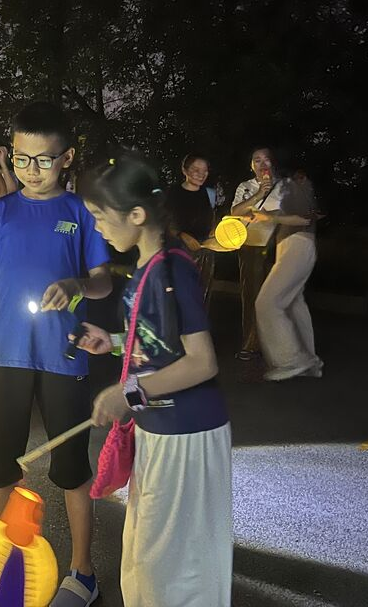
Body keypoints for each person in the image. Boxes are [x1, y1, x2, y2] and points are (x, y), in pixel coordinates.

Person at [0, 102, 112, 606]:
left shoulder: (81, 214)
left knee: (71, 467)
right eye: (20, 159)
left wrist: (77, 283)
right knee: (1, 464)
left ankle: (83, 572)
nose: (30, 171)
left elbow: (102, 282)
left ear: (67, 158)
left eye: (43, 160)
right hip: (5, 353)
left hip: (64, 356)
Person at [75, 149, 232, 607]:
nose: (98, 228)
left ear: (137, 214)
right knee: (148, 552)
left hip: (186, 433)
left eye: (101, 218)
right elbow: (159, 342)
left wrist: (129, 392)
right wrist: (115, 340)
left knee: (174, 561)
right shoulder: (146, 269)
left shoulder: (171, 269)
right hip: (159, 428)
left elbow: (202, 361)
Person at [253, 171, 324, 380]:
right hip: (296, 246)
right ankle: (309, 360)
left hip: (297, 245)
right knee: (293, 303)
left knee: (267, 303)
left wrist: (270, 217)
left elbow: (304, 218)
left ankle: (291, 360)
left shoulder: (293, 182)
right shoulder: (291, 186)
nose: (263, 168)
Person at [230, 147, 286, 361]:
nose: (262, 164)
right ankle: (251, 344)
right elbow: (235, 212)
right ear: (251, 166)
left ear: (273, 163)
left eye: (267, 160)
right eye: (257, 160)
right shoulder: (245, 187)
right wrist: (259, 195)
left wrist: (263, 214)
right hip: (251, 247)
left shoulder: (285, 186)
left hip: (279, 246)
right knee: (252, 297)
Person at [166, 154, 217, 307]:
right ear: (185, 170)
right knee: (177, 296)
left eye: (205, 170)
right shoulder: (172, 193)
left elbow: (213, 219)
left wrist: (214, 235)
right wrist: (182, 235)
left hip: (204, 252)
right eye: (196, 169)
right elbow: (164, 222)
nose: (201, 174)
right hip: (178, 251)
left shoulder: (210, 194)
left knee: (199, 295)